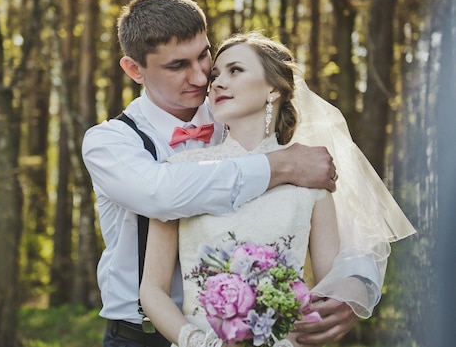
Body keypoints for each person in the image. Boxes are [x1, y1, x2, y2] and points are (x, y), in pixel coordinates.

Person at [82, 0, 350, 347]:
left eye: (203, 56)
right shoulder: (110, 142)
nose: (200, 78)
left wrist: (354, 288)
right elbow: (162, 193)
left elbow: (347, 219)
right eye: (177, 66)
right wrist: (276, 166)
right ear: (135, 69)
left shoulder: (238, 108)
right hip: (141, 336)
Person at [139, 32, 415, 347]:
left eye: (235, 70)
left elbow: (329, 291)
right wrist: (199, 342)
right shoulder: (180, 171)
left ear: (273, 88)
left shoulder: (312, 180)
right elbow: (152, 289)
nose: (216, 83)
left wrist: (349, 293)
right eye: (215, 75)